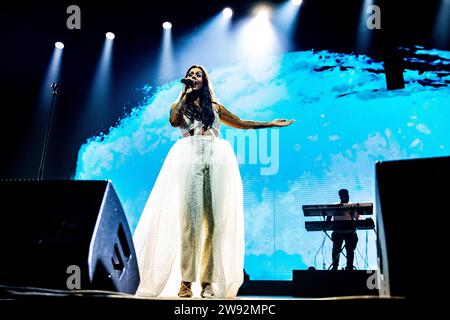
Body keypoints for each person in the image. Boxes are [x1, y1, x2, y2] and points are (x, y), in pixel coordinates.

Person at [133, 65, 294, 298]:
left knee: (213, 223)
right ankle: (186, 281)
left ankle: (207, 282)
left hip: (215, 159)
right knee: (190, 222)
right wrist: (183, 93)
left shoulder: (215, 107)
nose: (194, 77)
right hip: (188, 158)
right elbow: (173, 120)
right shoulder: (180, 105)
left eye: (199, 75)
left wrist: (269, 124)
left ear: (206, 81)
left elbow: (240, 122)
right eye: (192, 74)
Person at [327, 189, 359, 270]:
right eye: (345, 195)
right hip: (340, 231)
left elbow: (357, 217)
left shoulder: (352, 205)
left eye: (347, 195)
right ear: (340, 196)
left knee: (348, 250)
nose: (347, 197)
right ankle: (337, 267)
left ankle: (348, 267)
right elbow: (328, 218)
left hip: (347, 231)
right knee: (338, 250)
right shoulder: (335, 205)